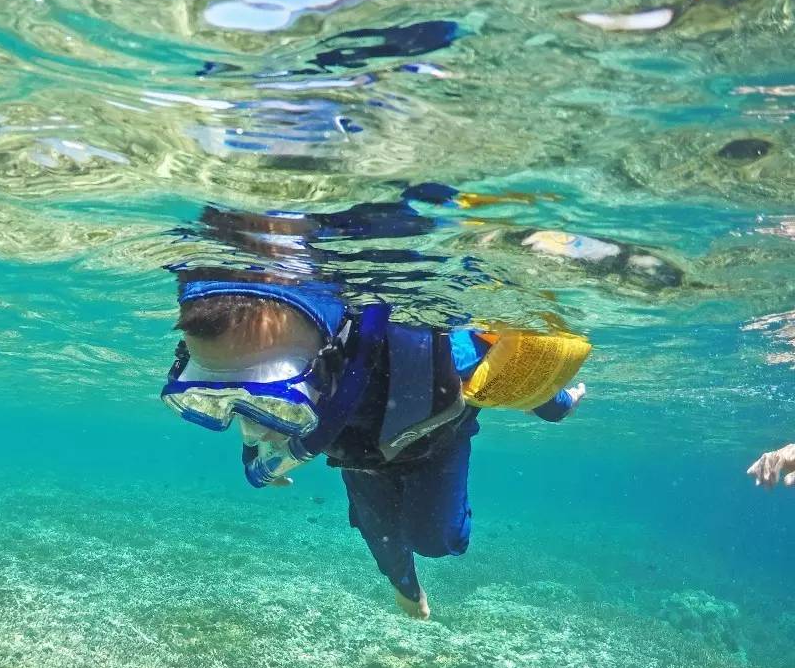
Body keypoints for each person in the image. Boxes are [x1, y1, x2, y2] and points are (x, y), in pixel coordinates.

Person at [160, 203, 590, 620]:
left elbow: (513, 378)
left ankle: (417, 560)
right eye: (211, 395)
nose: (253, 428)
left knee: (437, 540)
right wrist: (258, 452)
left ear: (332, 355)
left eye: (275, 403)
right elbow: (248, 404)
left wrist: (558, 406)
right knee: (380, 536)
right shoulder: (272, 369)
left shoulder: (425, 347)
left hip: (433, 447)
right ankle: (406, 586)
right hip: (359, 460)